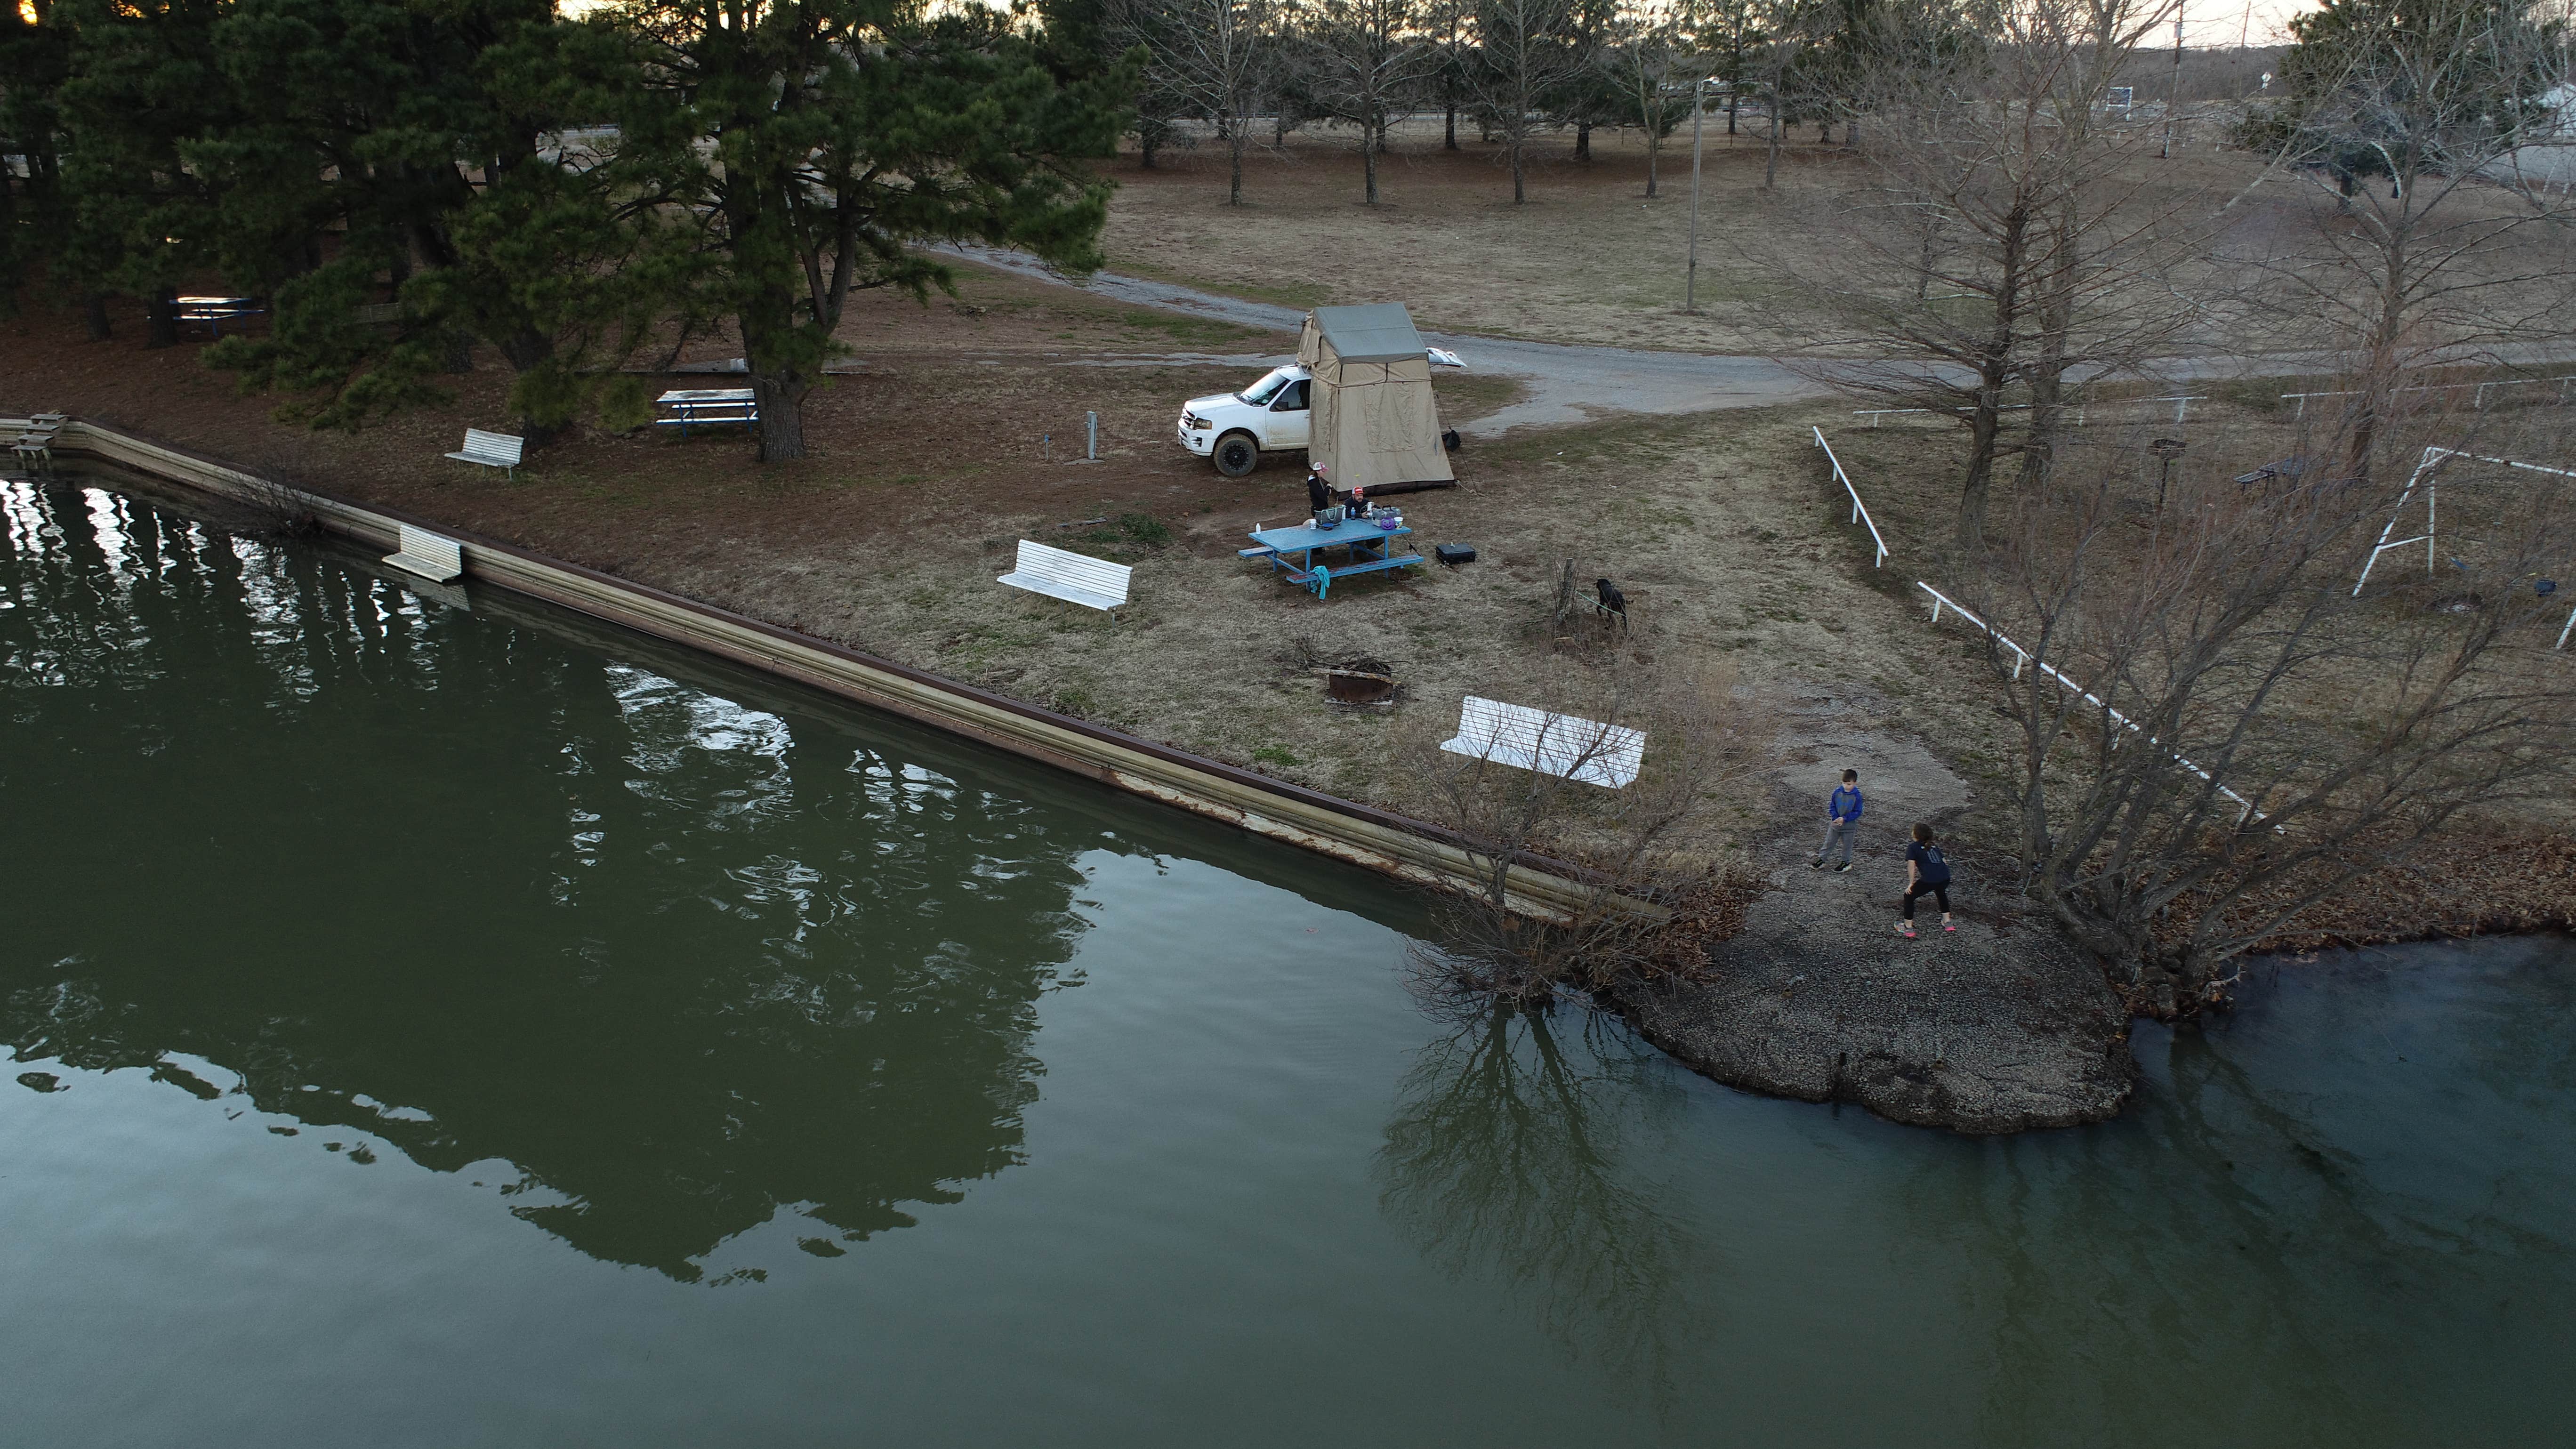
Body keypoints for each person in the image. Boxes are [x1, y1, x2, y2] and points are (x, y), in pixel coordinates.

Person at [1897, 822, 1954, 938]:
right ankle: (1947, 922)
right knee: (1941, 892)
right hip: (1945, 877)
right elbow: (1944, 862)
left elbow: (1911, 866)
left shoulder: (1913, 847)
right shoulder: (1933, 846)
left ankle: (1908, 927)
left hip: (1930, 879)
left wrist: (1911, 884)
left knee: (1909, 896)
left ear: (1916, 834)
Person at [1812, 769, 1863, 871]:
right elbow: (1832, 806)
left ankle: (1846, 862)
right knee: (1829, 842)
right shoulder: (1837, 792)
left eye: (1849, 784)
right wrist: (1835, 817)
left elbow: (1858, 811)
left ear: (1855, 783)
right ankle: (1822, 859)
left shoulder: (1857, 796)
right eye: (1844, 783)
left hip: (1849, 827)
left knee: (1847, 846)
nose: (1846, 786)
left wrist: (1845, 818)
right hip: (1835, 824)